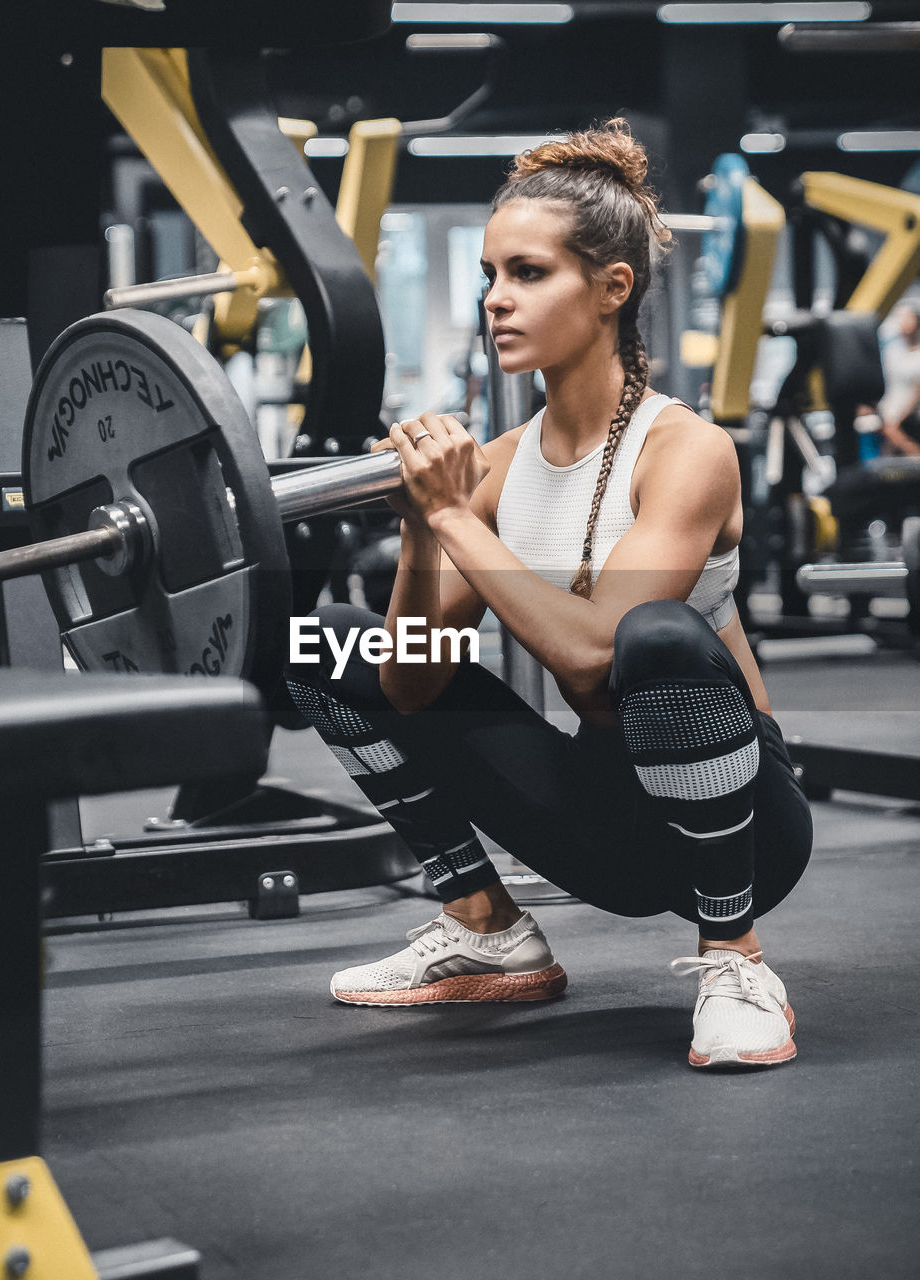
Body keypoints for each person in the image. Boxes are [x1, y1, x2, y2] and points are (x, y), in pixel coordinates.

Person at [285, 119, 812, 1069]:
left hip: (744, 824)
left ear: (612, 289)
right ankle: (485, 924)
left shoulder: (684, 449)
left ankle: (735, 959)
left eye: (527, 274)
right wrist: (418, 520)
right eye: (490, 276)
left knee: (657, 635)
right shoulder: (493, 469)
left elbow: (597, 651)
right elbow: (410, 685)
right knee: (325, 647)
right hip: (604, 823)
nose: (496, 301)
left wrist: (453, 521)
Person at [877, 302, 920, 457]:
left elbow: (917, 391)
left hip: (909, 421)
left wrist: (897, 423)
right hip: (889, 421)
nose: (900, 322)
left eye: (905, 317)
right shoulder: (893, 353)